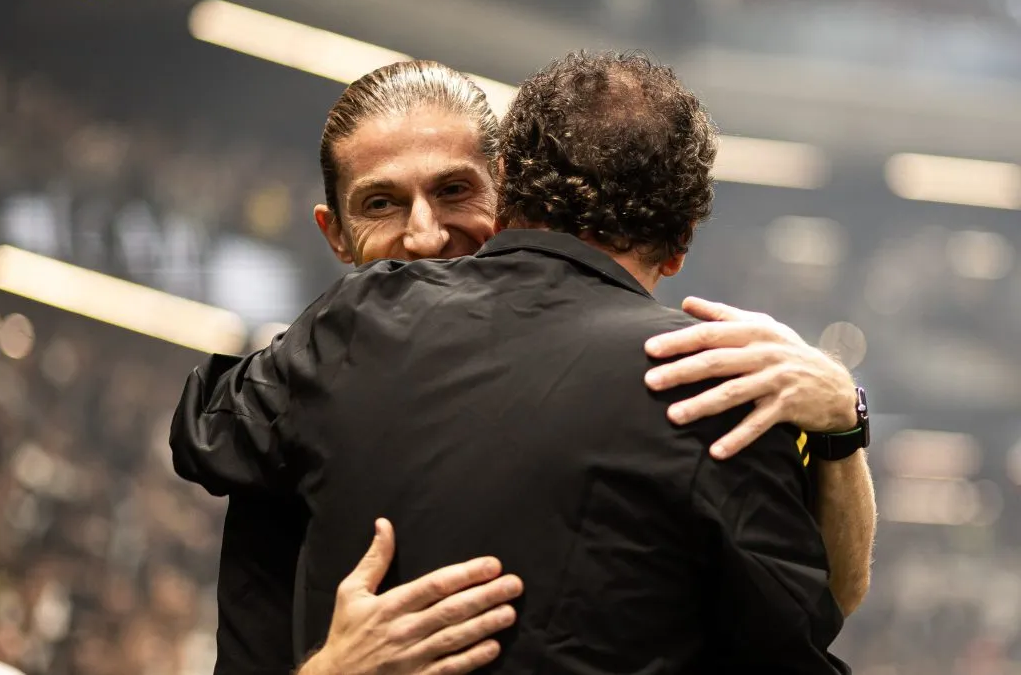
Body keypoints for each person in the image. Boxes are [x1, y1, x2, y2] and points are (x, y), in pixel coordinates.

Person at [172, 59, 874, 674]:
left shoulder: (725, 380)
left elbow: (818, 608)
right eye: (382, 203)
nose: (424, 237)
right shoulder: (326, 350)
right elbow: (813, 619)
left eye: (454, 191)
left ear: (507, 191)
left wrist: (841, 414)